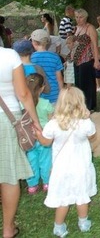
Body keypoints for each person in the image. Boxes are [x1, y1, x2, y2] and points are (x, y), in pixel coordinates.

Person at [34, 87, 96, 237]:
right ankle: (83, 223)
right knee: (82, 196)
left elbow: (46, 142)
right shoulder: (85, 123)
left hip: (61, 168)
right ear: (81, 103)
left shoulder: (53, 124)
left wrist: (37, 134)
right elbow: (92, 136)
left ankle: (59, 227)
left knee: (63, 199)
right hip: (81, 166)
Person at [0, 45, 41, 238]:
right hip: (6, 118)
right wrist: (35, 121)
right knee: (8, 175)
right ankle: (8, 228)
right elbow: (24, 94)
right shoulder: (9, 56)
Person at [25, 73, 54, 195]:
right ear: (42, 88)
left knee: (31, 161)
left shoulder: (23, 104)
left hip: (29, 137)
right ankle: (47, 183)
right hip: (44, 137)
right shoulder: (46, 104)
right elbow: (52, 121)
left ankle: (32, 185)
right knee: (46, 160)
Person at [68, 9, 100, 111]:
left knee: (87, 84)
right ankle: (80, 106)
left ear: (86, 17)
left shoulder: (90, 28)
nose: (78, 19)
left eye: (81, 17)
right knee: (78, 84)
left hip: (86, 60)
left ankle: (89, 106)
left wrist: (96, 60)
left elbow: (95, 45)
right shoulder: (76, 28)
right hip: (75, 60)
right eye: (77, 17)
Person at [30, 29, 64, 105]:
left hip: (39, 96)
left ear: (34, 42)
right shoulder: (55, 56)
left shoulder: (31, 58)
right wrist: (61, 95)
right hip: (55, 95)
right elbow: (60, 79)